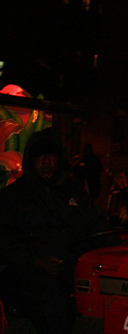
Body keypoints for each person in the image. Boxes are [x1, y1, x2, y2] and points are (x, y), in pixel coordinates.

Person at [0, 130, 110, 334]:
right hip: (31, 281)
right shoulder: (12, 197)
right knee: (53, 309)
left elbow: (98, 228)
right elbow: (3, 240)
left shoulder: (76, 193)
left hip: (78, 274)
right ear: (31, 160)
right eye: (40, 156)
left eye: (51, 156)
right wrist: (34, 261)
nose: (46, 162)